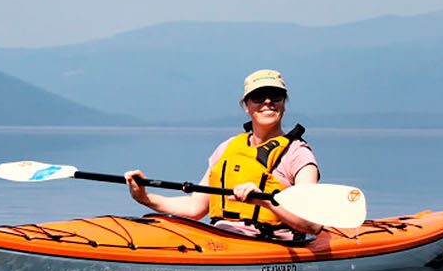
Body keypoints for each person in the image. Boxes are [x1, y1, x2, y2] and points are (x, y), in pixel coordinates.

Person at [125, 68, 321, 240]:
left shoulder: (298, 155)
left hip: (270, 244)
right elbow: (195, 207)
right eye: (258, 97)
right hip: (221, 238)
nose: (267, 102)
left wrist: (265, 201)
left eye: (275, 96)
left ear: (284, 103)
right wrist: (144, 198)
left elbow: (311, 224)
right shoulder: (227, 148)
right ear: (247, 106)